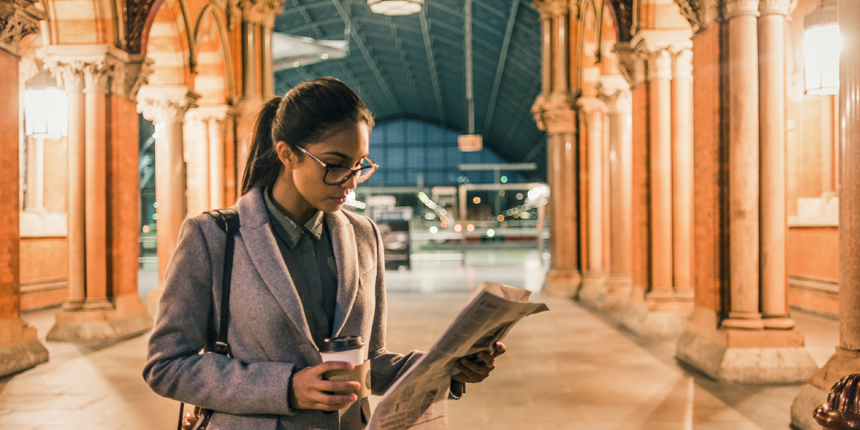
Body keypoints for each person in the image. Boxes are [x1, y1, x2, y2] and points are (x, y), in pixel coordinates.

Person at [143, 77, 505, 429]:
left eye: (360, 164)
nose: (350, 181)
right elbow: (167, 365)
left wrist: (447, 366)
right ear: (287, 154)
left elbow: (368, 362)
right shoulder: (213, 237)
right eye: (335, 164)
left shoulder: (363, 235)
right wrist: (287, 387)